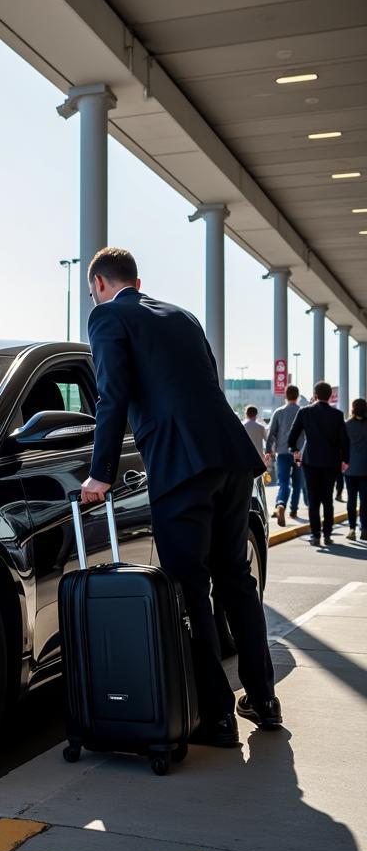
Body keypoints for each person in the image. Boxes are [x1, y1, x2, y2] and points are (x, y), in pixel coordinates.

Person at [79, 247, 280, 747]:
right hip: (231, 456)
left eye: (91, 291)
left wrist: (100, 474)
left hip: (180, 465)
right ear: (137, 280)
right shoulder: (182, 316)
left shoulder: (106, 316)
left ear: (100, 284)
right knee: (236, 580)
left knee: (190, 586)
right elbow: (202, 384)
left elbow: (112, 396)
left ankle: (216, 718)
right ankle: (264, 699)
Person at [289, 381, 349, 547]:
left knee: (313, 500)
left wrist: (294, 450)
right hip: (331, 462)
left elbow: (292, 435)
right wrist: (346, 460)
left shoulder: (305, 412)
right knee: (327, 499)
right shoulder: (337, 415)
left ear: (315, 395)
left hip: (310, 461)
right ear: (330, 396)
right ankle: (328, 534)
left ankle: (316, 535)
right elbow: (344, 440)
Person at [265, 384, 306, 525]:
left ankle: (281, 503)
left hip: (282, 453)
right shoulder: (303, 412)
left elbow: (271, 433)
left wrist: (268, 450)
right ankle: (293, 510)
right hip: (298, 453)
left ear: (285, 396)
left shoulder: (279, 412)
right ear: (298, 396)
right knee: (297, 483)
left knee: (283, 482)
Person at [343, 398, 367, 540]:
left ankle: (352, 529)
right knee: (365, 501)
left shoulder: (347, 425)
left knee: (351, 499)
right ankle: (364, 528)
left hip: (350, 468)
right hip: (365, 469)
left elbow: (342, 446)